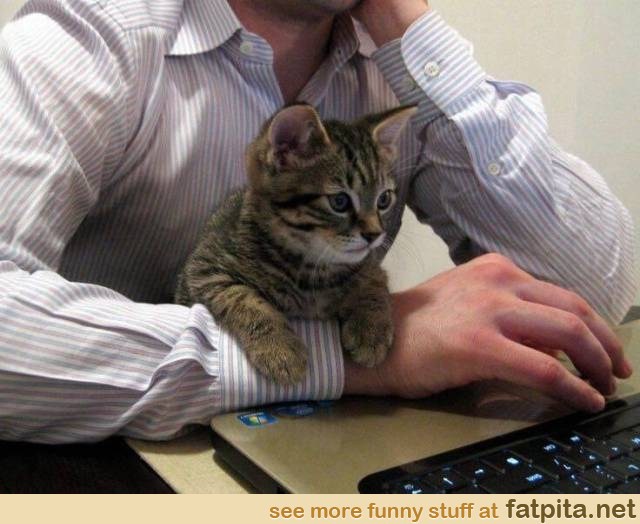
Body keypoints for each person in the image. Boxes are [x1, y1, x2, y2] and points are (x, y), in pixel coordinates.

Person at [0, 0, 635, 443]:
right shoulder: (98, 32)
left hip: (327, 442)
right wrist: (358, 359)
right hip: (102, 459)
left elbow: (596, 301)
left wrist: (411, 30)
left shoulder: (393, 67)